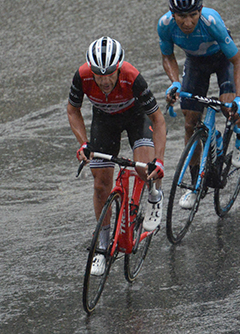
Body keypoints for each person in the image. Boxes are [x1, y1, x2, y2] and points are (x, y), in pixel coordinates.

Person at [67, 36, 166, 276]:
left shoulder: (132, 77)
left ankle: (155, 195)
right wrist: (83, 144)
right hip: (104, 120)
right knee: (101, 186)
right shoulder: (82, 76)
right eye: (99, 75)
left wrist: (159, 162)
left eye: (110, 73)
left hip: (136, 117)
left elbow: (158, 120)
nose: (105, 80)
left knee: (145, 169)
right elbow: (73, 110)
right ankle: (101, 246)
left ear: (118, 67)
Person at [159, 0, 240, 209]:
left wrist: (239, 98)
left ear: (200, 10)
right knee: (190, 123)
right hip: (196, 63)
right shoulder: (164, 25)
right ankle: (194, 185)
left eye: (192, 15)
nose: (187, 22)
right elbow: (167, 56)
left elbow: (237, 61)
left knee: (228, 104)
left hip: (223, 61)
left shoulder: (212, 22)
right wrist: (175, 83)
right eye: (181, 16)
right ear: (172, 13)